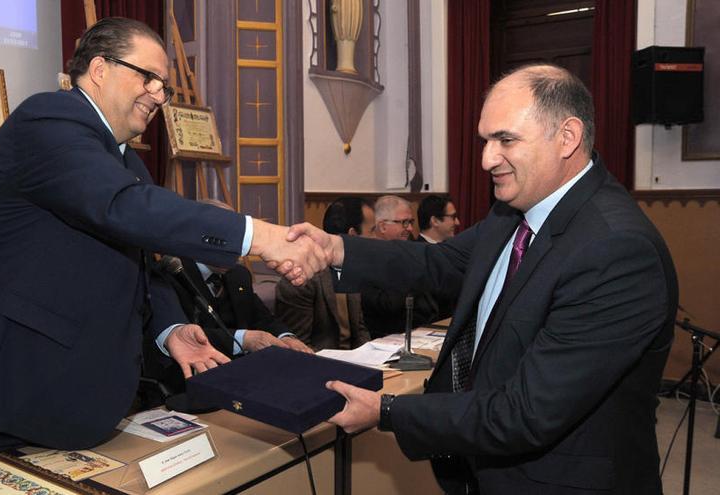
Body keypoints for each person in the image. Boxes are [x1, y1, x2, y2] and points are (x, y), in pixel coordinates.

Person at [0, 18, 323, 452]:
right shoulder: (48, 120)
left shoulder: (125, 163)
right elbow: (122, 207)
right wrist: (258, 235)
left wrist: (170, 328)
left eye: (165, 86)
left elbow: (143, 264)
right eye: (149, 77)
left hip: (72, 399)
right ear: (100, 69)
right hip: (10, 390)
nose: (159, 95)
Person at [288, 64, 678, 494]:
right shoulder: (513, 211)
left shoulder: (617, 249)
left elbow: (527, 413)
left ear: (567, 137)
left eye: (505, 140)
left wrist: (388, 411)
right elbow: (438, 264)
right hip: (487, 469)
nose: (487, 159)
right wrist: (334, 249)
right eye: (486, 140)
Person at [147, 200, 312, 392]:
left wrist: (286, 337)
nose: (235, 248)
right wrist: (245, 339)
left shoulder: (238, 274)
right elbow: (184, 336)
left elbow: (263, 318)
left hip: (242, 379)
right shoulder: (173, 271)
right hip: (188, 382)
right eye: (224, 239)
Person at [274, 197, 373, 351]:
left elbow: (360, 331)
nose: (376, 239)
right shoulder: (302, 277)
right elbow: (297, 344)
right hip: (319, 364)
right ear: (353, 235)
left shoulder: (353, 267)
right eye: (372, 231)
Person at [363, 195, 449, 337]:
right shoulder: (369, 259)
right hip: (388, 338)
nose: (410, 228)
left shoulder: (411, 250)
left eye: (411, 222)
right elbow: (386, 306)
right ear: (383, 226)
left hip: (426, 331)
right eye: (404, 222)